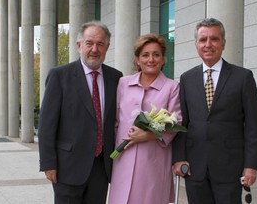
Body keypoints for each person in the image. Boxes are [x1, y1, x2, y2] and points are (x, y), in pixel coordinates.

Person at [172, 17, 257, 204]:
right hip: (194, 167)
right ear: (196, 44)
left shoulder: (243, 77)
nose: (208, 44)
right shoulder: (186, 79)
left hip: (230, 167)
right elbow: (182, 122)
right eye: (203, 39)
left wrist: (251, 165)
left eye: (214, 39)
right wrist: (179, 158)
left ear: (223, 43)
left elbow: (253, 124)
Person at [38, 21, 123, 204]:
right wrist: (48, 163)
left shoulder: (116, 78)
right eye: (89, 43)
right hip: (67, 167)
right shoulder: (59, 76)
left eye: (100, 44)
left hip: (101, 168)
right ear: (79, 46)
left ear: (107, 47)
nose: (94, 49)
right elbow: (46, 125)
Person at [108, 34, 181, 204]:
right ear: (137, 59)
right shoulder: (123, 84)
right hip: (123, 159)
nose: (151, 59)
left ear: (163, 59)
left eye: (156, 54)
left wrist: (147, 135)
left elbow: (176, 122)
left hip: (154, 161)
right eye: (145, 55)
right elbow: (115, 121)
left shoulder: (172, 87)